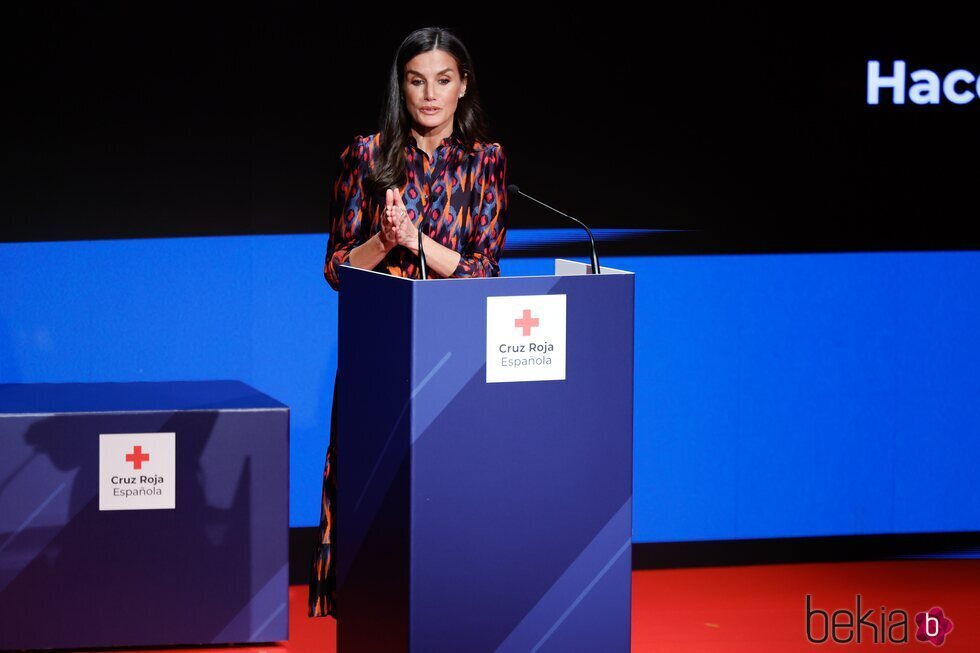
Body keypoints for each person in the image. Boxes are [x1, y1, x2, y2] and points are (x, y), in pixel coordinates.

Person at [308, 26, 508, 620]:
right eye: (417, 80)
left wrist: (417, 240)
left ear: (463, 85)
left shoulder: (486, 161)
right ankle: (372, 608)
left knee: (448, 495)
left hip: (456, 354)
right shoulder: (367, 155)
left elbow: (483, 273)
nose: (430, 94)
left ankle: (454, 607)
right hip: (382, 354)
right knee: (375, 491)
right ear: (402, 85)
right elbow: (338, 270)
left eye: (443, 80)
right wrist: (384, 239)